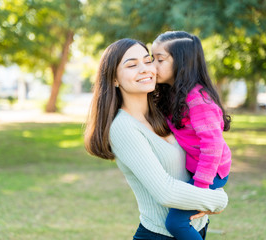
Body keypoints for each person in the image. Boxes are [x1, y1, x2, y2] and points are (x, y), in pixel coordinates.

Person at [84, 38, 228, 240]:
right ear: (114, 79)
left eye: (148, 60)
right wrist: (218, 199)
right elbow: (165, 192)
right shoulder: (123, 127)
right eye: (132, 65)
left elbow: (210, 145)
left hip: (197, 228)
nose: (145, 69)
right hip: (160, 235)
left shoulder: (166, 112)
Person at [151, 31, 232, 240]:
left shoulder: (198, 100)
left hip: (211, 172)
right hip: (197, 168)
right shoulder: (173, 94)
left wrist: (200, 189)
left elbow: (212, 146)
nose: (152, 65)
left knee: (176, 223)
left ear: (182, 62)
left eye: (159, 59)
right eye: (152, 58)